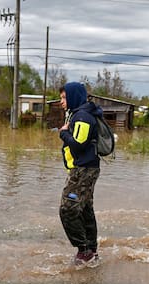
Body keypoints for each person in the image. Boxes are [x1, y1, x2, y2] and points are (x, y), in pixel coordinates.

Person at [58, 82, 103, 268]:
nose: (61, 101)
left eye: (64, 97)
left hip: (84, 171)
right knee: (84, 209)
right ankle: (91, 251)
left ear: (74, 96)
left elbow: (78, 144)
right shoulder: (80, 113)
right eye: (61, 98)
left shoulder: (82, 116)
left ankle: (84, 250)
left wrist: (63, 133)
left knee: (68, 209)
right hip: (85, 169)